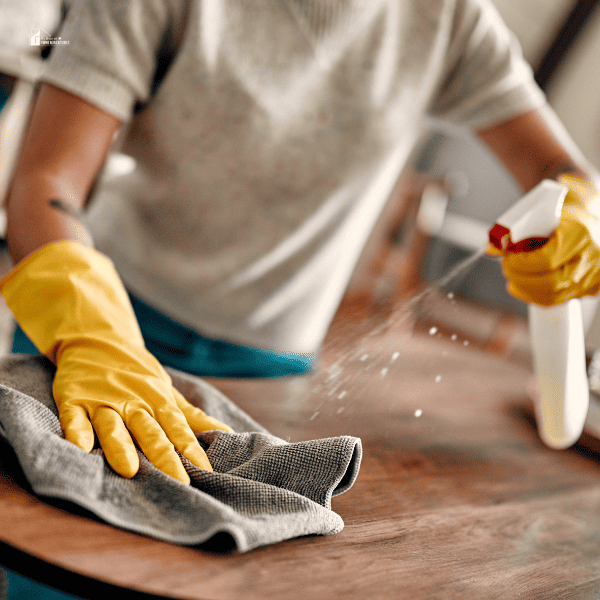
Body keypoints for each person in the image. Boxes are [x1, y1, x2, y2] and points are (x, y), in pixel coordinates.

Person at [4, 0, 600, 485]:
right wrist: (94, 334)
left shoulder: (450, 17)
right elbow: (46, 180)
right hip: (94, 329)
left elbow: (565, 171)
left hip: (274, 371)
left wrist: (583, 218)